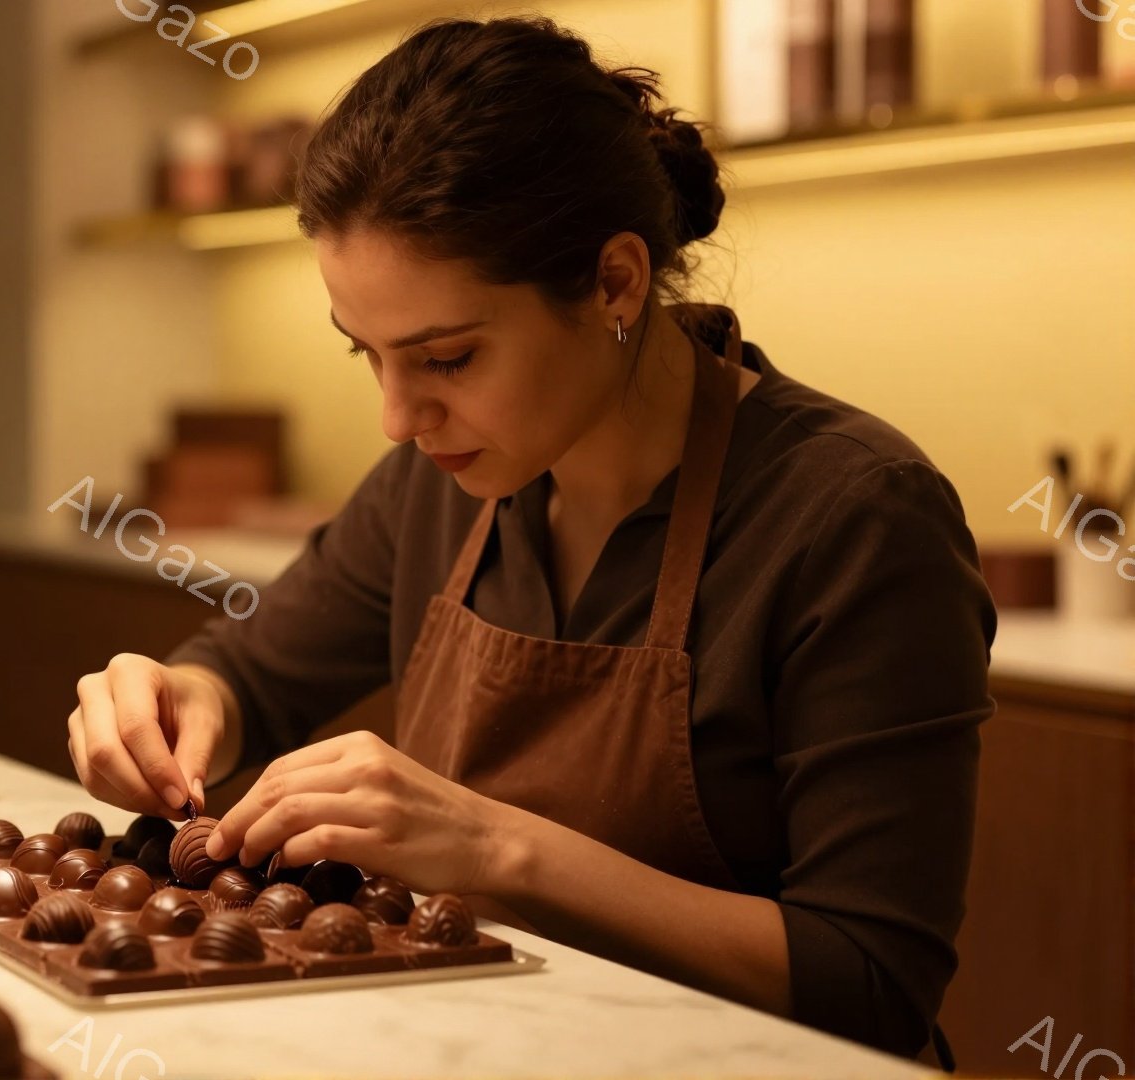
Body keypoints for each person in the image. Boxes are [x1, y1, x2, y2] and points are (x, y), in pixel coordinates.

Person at [63, 15, 994, 1063]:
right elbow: (250, 675)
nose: (398, 417)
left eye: (448, 359)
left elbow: (869, 985)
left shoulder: (854, 518)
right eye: (366, 354)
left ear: (614, 285)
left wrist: (494, 847)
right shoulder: (439, 483)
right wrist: (185, 703)